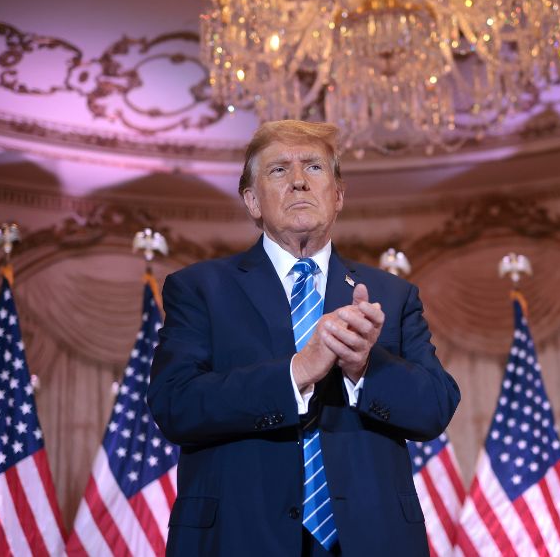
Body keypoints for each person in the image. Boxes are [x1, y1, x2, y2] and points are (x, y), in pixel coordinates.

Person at [149, 119, 460, 556]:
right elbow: (174, 404)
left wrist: (363, 367)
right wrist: (295, 372)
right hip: (238, 538)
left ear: (338, 196)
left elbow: (435, 407)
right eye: (279, 170)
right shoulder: (201, 289)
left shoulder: (391, 295)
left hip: (372, 540)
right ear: (252, 201)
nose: (298, 181)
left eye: (313, 167)